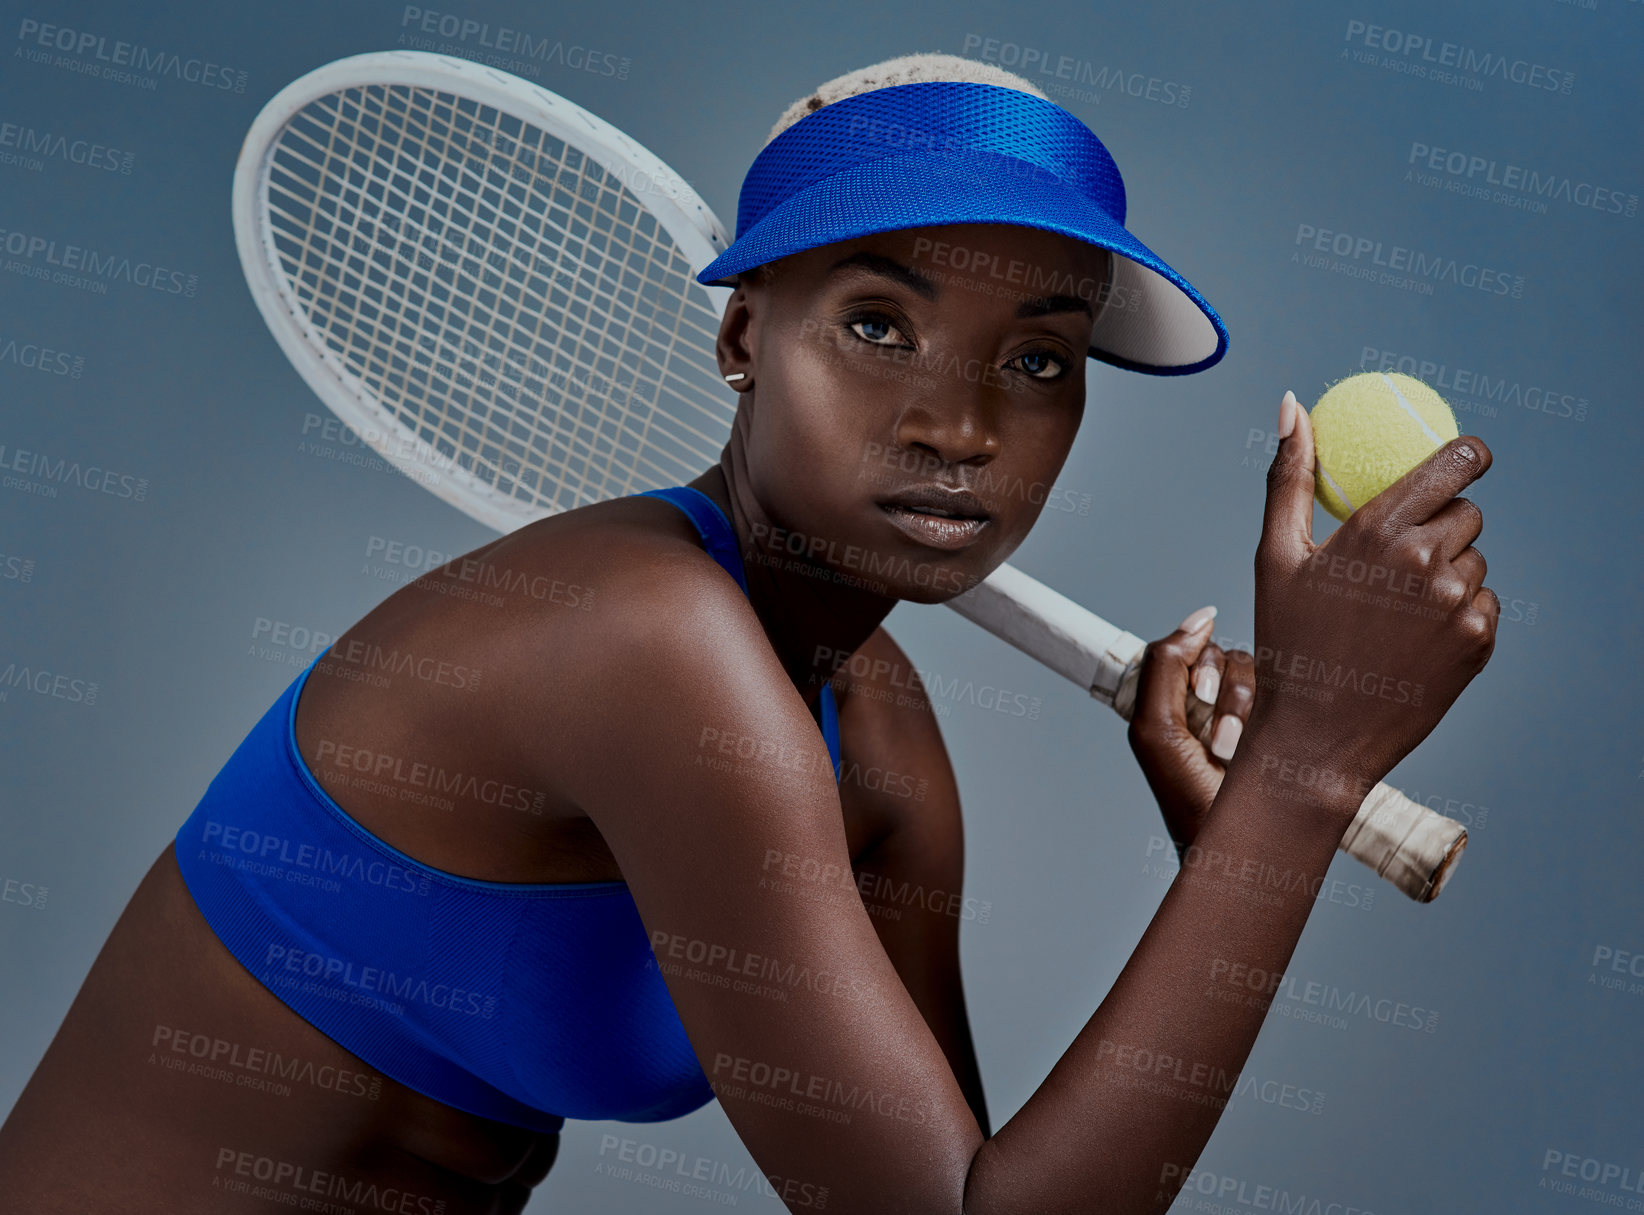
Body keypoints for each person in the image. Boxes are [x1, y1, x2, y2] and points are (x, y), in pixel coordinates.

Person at [0, 54, 1497, 1213]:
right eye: (874, 325)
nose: (960, 422)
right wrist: (1297, 786)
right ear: (739, 340)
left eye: (1036, 356)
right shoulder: (644, 640)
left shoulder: (879, 736)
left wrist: (1233, 850)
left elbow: (976, 1178)